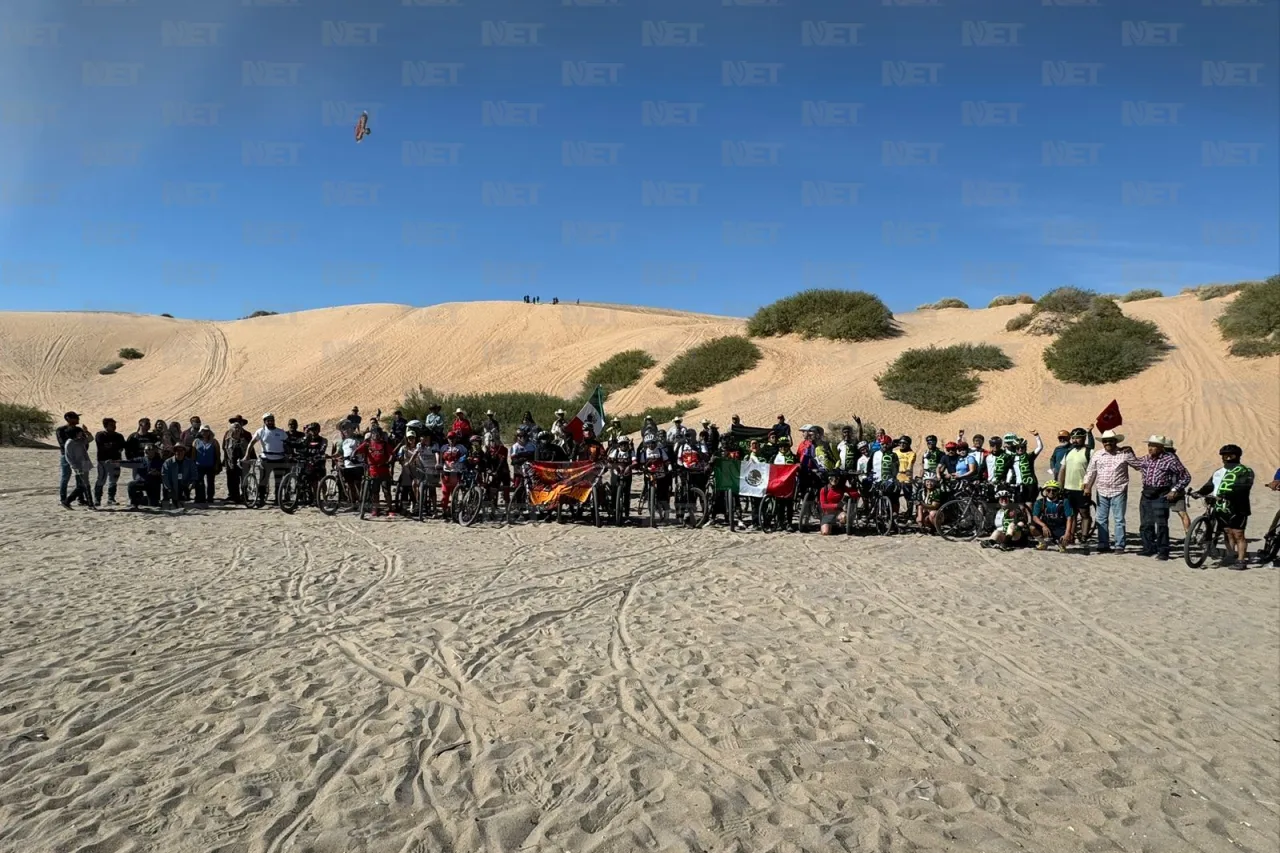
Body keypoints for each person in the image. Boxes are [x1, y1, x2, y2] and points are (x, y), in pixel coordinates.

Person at [1127, 435, 1191, 561]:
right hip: (1146, 493)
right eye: (1149, 445)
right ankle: (1148, 547)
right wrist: (1128, 451)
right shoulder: (1146, 459)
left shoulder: (1170, 460)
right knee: (1146, 523)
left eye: (1154, 446)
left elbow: (1185, 476)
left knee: (1161, 524)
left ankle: (1163, 550)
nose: (1150, 448)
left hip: (1161, 494)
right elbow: (1135, 463)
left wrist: (1174, 490)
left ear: (1161, 447)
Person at [1192, 445, 1254, 569]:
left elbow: (1244, 486)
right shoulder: (1219, 472)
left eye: (1230, 455)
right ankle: (1231, 555)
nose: (1226, 457)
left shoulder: (1245, 470)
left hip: (1238, 506)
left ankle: (1241, 560)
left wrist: (1227, 494)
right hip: (1220, 506)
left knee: (1238, 534)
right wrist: (1199, 493)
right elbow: (1210, 485)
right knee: (1227, 532)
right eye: (1224, 455)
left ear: (1237, 456)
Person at [1083, 430, 1134, 553]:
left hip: (1119, 490)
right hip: (1102, 490)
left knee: (1119, 519)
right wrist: (1087, 486)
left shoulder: (1124, 453)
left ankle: (1119, 545)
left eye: (1110, 440)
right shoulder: (1097, 454)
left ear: (1115, 441)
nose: (1108, 443)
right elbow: (1091, 471)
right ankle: (1103, 544)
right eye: (1105, 441)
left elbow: (1137, 466)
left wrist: (1132, 452)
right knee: (1101, 519)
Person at [1060, 425, 1096, 542]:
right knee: (1072, 514)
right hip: (1068, 488)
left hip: (1081, 488)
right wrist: (1060, 486)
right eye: (1073, 438)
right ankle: (1072, 535)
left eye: (1078, 438)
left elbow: (1093, 471)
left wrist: (1088, 486)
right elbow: (1062, 469)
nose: (1075, 440)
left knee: (1084, 513)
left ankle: (1084, 537)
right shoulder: (1068, 452)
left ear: (1084, 438)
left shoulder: (1089, 452)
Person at [245, 413, 290, 503]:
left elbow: (288, 443)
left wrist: (288, 454)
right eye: (268, 420)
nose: (270, 422)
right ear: (264, 421)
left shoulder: (280, 432)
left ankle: (278, 499)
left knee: (278, 481)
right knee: (263, 480)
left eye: (272, 420)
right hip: (266, 459)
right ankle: (261, 498)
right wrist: (247, 455)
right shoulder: (260, 431)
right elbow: (251, 443)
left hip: (279, 459)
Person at [355, 425, 395, 517]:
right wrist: (353, 455)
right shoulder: (367, 443)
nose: (376, 436)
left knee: (386, 491)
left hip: (384, 470)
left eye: (378, 434)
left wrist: (389, 460)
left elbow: (392, 453)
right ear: (371, 434)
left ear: (380, 435)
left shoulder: (384, 444)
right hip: (373, 471)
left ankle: (390, 509)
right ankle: (375, 509)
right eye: (374, 434)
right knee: (375, 491)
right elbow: (358, 450)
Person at [1032, 481, 1075, 551]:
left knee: (1066, 541)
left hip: (1060, 527)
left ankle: (1061, 544)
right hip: (1047, 526)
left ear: (1058, 491)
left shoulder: (1064, 502)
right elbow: (1035, 517)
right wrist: (1043, 525)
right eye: (1048, 490)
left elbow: (1069, 518)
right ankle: (1043, 543)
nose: (1051, 492)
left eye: (1054, 490)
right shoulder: (1040, 502)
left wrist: (1068, 533)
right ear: (1045, 491)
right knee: (1032, 528)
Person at [93, 418, 127, 506]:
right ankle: (97, 498)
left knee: (113, 480)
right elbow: (103, 447)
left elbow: (122, 446)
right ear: (106, 426)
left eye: (114, 425)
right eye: (111, 425)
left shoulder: (119, 436)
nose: (114, 427)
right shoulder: (100, 435)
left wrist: (112, 446)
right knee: (101, 480)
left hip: (116, 461)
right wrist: (113, 446)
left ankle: (111, 498)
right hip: (103, 461)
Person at [221, 416, 254, 503]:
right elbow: (224, 447)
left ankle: (244, 495)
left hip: (244, 461)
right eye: (236, 422)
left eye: (240, 422)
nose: (238, 425)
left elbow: (251, 447)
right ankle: (233, 495)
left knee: (244, 478)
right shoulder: (227, 434)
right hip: (230, 461)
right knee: (232, 479)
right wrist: (225, 460)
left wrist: (253, 458)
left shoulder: (247, 434)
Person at [61, 426, 94, 509]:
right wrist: (75, 467)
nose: (81, 433)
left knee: (86, 484)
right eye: (79, 432)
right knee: (83, 485)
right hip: (78, 466)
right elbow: (68, 457)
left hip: (85, 463)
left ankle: (90, 503)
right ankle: (67, 501)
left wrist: (87, 432)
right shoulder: (69, 443)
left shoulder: (80, 440)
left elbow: (90, 439)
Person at [440, 432, 469, 518]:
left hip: (457, 472)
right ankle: (444, 511)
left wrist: (459, 460)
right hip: (446, 472)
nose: (451, 440)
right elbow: (441, 459)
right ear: (447, 439)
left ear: (456, 438)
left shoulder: (461, 447)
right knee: (445, 492)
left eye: (453, 438)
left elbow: (466, 456)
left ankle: (454, 510)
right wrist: (440, 469)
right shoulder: (444, 447)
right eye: (449, 438)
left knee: (454, 493)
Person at [1010, 433, 1044, 506]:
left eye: (1022, 447)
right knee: (1020, 506)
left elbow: (1040, 447)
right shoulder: (1012, 458)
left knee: (1030, 504)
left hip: (1030, 484)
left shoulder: (1029, 456)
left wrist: (1037, 436)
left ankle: (1030, 517)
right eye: (1018, 448)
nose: (1020, 449)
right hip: (1018, 484)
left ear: (1025, 448)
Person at [56, 411, 82, 505]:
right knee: (65, 476)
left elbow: (84, 442)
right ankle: (63, 498)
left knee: (80, 477)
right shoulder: (61, 430)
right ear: (68, 419)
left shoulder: (79, 429)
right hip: (66, 455)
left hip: (79, 456)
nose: (78, 419)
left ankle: (80, 498)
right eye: (75, 417)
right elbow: (62, 443)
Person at [127, 445, 164, 509]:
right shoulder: (140, 460)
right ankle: (134, 502)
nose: (146, 451)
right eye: (145, 450)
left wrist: (158, 473)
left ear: (154, 451)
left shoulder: (160, 461)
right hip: (142, 482)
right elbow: (127, 462)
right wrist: (115, 462)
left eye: (149, 449)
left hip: (153, 484)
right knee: (131, 485)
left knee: (153, 504)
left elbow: (165, 473)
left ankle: (142, 499)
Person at [162, 443, 198, 508]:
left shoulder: (190, 462)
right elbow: (164, 476)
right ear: (174, 452)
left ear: (184, 451)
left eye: (181, 450)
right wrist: (169, 488)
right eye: (177, 450)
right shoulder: (167, 462)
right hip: (171, 486)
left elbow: (194, 474)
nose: (179, 452)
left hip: (184, 485)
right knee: (167, 491)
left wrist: (192, 482)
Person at [192, 426, 222, 503]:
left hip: (210, 465)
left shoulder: (214, 441)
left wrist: (217, 464)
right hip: (199, 466)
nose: (205, 433)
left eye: (206, 431)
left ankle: (210, 497)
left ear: (209, 432)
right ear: (200, 432)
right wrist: (193, 465)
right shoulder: (196, 441)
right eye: (203, 431)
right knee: (199, 482)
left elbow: (218, 454)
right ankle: (199, 497)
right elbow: (193, 454)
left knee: (211, 482)